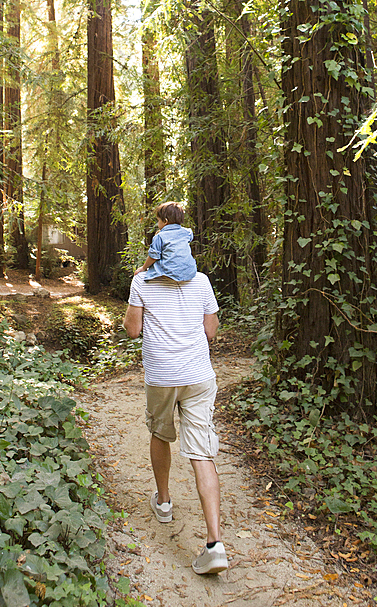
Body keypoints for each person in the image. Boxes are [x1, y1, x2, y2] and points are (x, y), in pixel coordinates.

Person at [123, 202, 227, 575]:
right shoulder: (201, 281)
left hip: (162, 376)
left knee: (160, 433)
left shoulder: (141, 281)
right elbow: (211, 331)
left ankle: (163, 503)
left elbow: (133, 330)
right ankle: (215, 544)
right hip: (199, 376)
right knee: (202, 453)